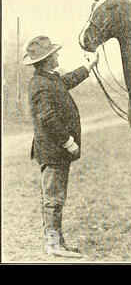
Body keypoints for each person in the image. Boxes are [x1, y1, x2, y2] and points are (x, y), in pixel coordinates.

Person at [23, 35, 99, 258]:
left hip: (56, 151)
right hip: (54, 150)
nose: (58, 55)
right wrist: (68, 142)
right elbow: (47, 118)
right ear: (47, 60)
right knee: (53, 198)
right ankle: (54, 245)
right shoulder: (40, 83)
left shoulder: (49, 78)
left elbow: (68, 80)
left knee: (55, 197)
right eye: (54, 53)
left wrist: (88, 66)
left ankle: (57, 243)